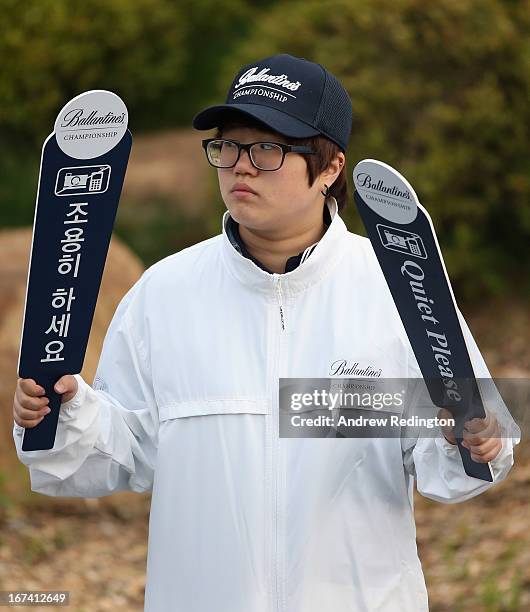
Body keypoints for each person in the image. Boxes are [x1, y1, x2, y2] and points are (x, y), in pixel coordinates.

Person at [13, 54, 520, 612]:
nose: (240, 167)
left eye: (268, 149)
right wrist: (60, 415)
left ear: (330, 168)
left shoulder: (396, 287)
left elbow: (456, 452)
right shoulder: (165, 294)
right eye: (228, 146)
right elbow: (115, 454)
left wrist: (476, 442)